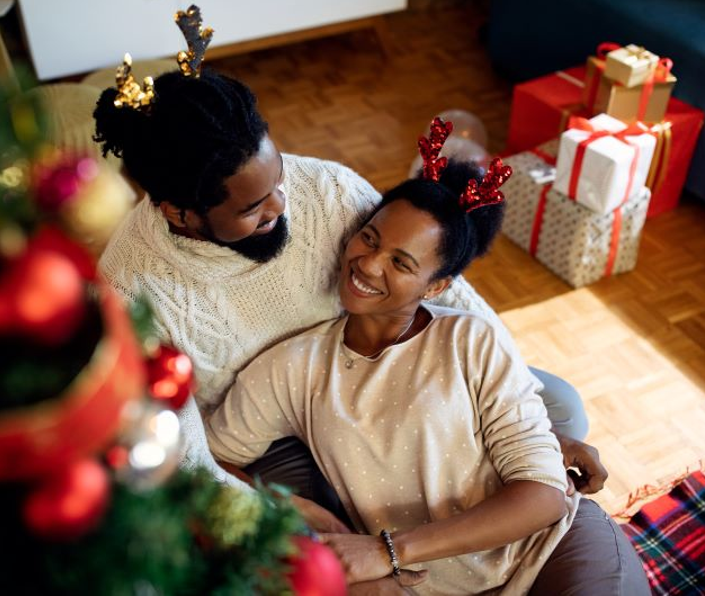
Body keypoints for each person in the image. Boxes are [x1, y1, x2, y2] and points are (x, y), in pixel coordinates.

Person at [93, 51, 604, 510]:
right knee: (358, 515)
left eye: (278, 180)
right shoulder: (131, 290)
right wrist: (278, 512)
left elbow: (441, 283)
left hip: (373, 365)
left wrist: (536, 425)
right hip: (260, 437)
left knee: (557, 407)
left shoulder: (325, 188)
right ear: (180, 214)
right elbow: (183, 453)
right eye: (253, 207)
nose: (281, 206)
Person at [205, 149, 650, 595]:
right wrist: (287, 507)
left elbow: (544, 495)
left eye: (401, 263)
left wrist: (386, 551)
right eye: (370, 239)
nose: (369, 264)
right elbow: (209, 459)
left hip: (550, 550)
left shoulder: (471, 339)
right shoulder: (290, 368)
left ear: (437, 286)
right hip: (421, 587)